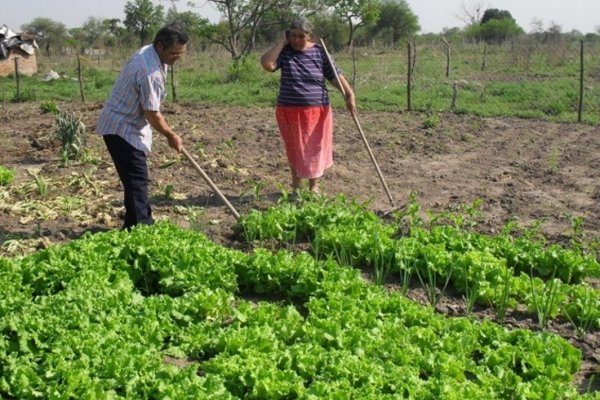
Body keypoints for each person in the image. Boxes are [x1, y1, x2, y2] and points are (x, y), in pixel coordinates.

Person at [96, 23, 188, 230]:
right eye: (174, 53)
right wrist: (170, 135)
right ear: (161, 46)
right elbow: (152, 113)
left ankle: (132, 225)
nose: (177, 58)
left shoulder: (149, 52)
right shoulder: (150, 72)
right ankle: (143, 228)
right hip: (121, 127)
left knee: (133, 179)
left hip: (126, 123)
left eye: (181, 53)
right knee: (137, 178)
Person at [260, 17, 356, 193]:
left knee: (315, 147)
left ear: (309, 36)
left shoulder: (320, 52)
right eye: (293, 35)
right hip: (289, 110)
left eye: (301, 36)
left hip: (317, 110)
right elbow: (268, 64)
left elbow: (335, 76)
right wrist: (282, 42)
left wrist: (349, 95)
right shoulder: (285, 52)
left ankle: (314, 186)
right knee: (295, 148)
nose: (296, 40)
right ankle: (296, 187)